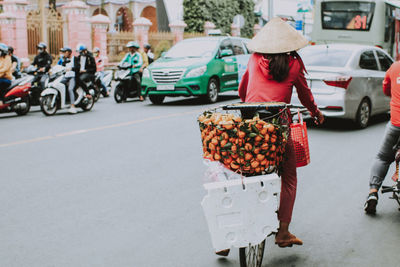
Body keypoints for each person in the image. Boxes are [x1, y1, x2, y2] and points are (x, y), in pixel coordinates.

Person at [229, 17, 323, 252]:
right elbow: (305, 95)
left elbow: (242, 90)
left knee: (238, 171)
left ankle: (228, 237)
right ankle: (282, 232)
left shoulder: (254, 58)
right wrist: (316, 113)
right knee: (289, 177)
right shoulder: (294, 64)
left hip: (250, 125)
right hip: (278, 128)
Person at [364, 56, 399, 214]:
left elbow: (386, 90)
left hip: (396, 124)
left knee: (383, 158)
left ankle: (373, 193)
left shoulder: (394, 67)